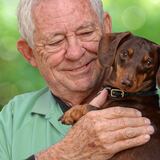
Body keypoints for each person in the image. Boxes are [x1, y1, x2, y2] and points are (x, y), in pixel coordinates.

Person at [0, 0, 154, 159]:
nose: (75, 53)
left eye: (86, 33)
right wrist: (64, 154)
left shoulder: (155, 105)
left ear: (106, 28)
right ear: (29, 53)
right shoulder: (11, 120)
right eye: (56, 41)